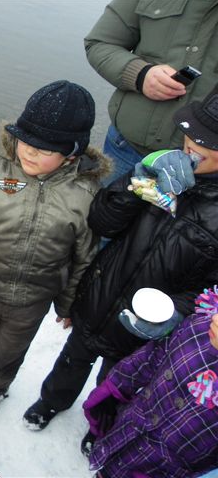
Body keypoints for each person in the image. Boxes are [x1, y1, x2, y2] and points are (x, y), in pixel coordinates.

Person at [23, 86, 218, 444]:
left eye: (209, 141)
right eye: (192, 132)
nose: (192, 143)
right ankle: (51, 401)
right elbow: (102, 222)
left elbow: (211, 293)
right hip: (102, 293)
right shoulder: (161, 167)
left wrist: (177, 313)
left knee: (118, 382)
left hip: (146, 324)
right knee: (72, 359)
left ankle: (100, 427)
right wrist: (136, 180)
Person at [0, 81, 110, 418]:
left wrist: (68, 304)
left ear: (71, 153)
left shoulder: (85, 195)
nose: (29, 151)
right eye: (25, 140)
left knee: (7, 352)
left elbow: (83, 257)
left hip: (33, 299)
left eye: (44, 149)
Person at [82, 287, 218, 478]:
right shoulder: (201, 324)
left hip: (163, 470)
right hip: (128, 435)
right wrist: (115, 385)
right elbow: (153, 356)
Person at [84, 0, 218, 183]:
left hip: (208, 172)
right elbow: (100, 42)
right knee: (105, 201)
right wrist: (139, 74)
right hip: (125, 150)